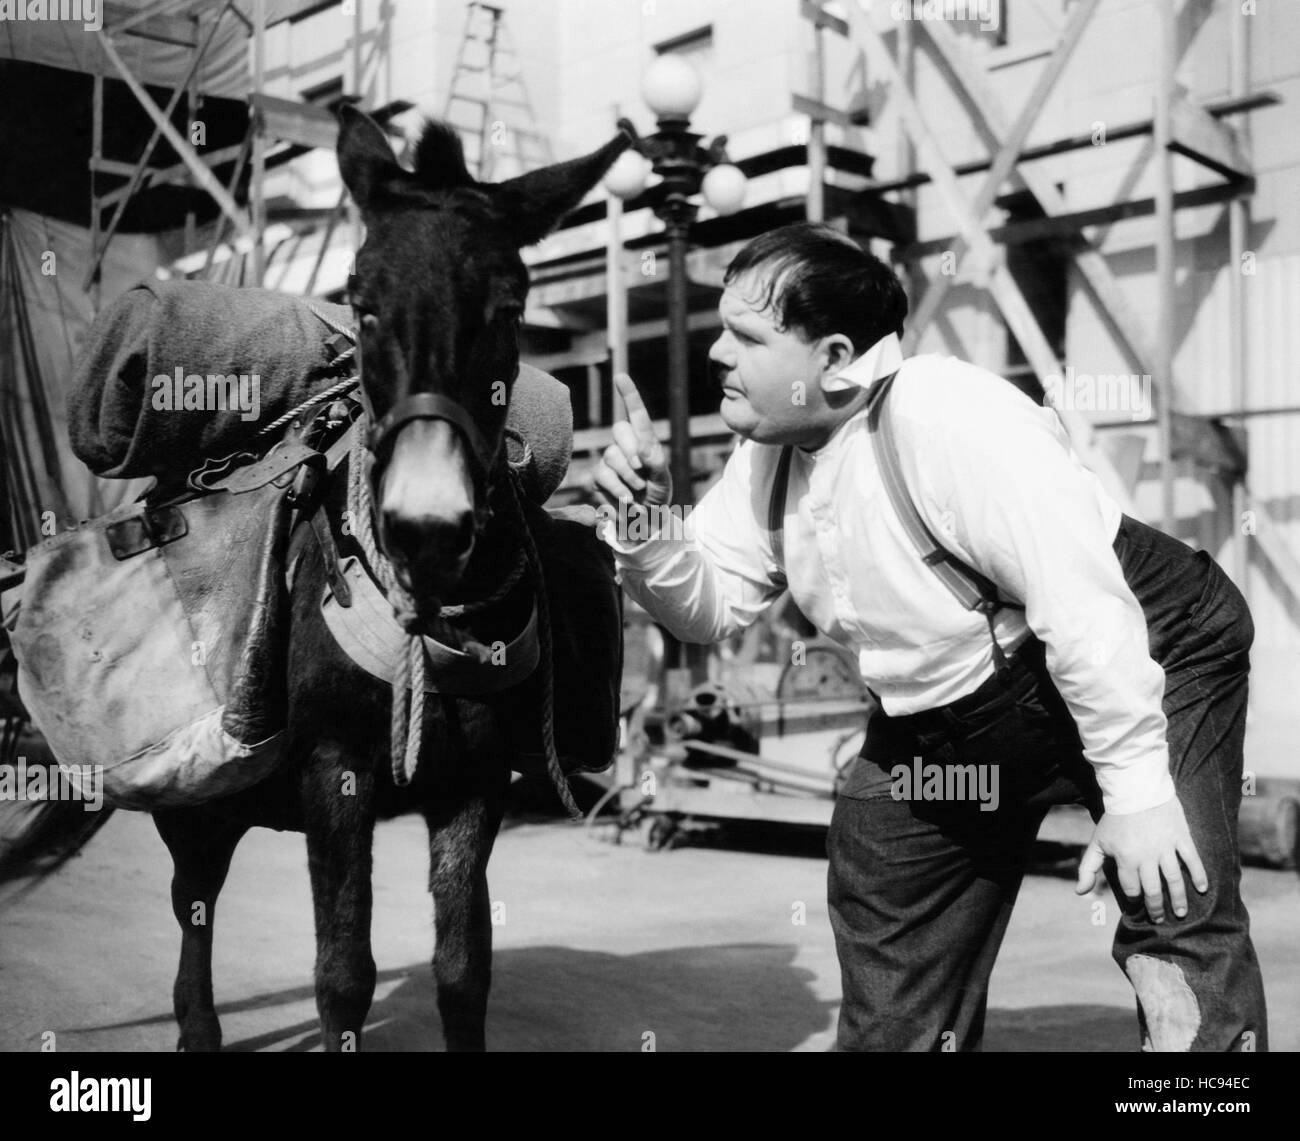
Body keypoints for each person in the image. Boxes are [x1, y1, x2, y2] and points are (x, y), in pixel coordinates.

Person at [592, 221, 1266, 1052]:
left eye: (747, 336)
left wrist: (1132, 793)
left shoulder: (950, 416)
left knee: (1173, 908)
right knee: (881, 891)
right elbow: (711, 604)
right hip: (948, 720)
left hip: (1152, 644)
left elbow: (1084, 604)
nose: (717, 356)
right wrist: (645, 522)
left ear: (834, 357)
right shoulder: (765, 461)